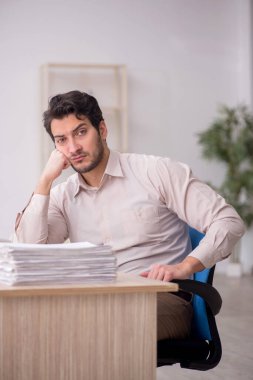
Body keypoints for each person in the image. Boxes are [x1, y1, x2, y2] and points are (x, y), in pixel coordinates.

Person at [15, 90, 245, 340]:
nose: (73, 148)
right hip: (95, 299)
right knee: (26, 323)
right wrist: (45, 181)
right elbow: (30, 253)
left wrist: (185, 266)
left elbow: (228, 222)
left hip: (160, 298)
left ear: (102, 130)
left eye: (81, 132)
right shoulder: (62, 195)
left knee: (92, 327)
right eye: (61, 140)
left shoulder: (156, 171)